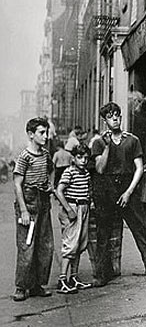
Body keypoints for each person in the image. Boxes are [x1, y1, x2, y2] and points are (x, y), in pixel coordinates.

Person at [90, 102, 146, 287]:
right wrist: (106, 147)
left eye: (117, 115)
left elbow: (139, 168)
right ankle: (102, 273)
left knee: (142, 229)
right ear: (105, 120)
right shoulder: (98, 142)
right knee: (103, 231)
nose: (115, 119)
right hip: (105, 190)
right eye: (110, 116)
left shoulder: (132, 140)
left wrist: (129, 192)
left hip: (128, 186)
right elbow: (99, 168)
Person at [11, 117, 75, 301]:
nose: (46, 136)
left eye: (46, 132)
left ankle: (37, 285)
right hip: (29, 203)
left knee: (45, 246)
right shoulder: (24, 156)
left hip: (43, 202)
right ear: (31, 135)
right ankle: (21, 286)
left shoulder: (46, 154)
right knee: (27, 245)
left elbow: (51, 169)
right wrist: (23, 210)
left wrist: (50, 184)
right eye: (41, 132)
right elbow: (17, 184)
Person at [56, 144, 93, 294]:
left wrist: (89, 203)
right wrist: (69, 210)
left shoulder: (85, 173)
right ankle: (62, 279)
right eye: (79, 157)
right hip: (72, 207)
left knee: (80, 244)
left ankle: (74, 277)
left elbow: (88, 190)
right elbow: (58, 191)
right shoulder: (69, 172)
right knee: (70, 244)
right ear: (73, 158)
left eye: (86, 158)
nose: (83, 161)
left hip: (83, 208)